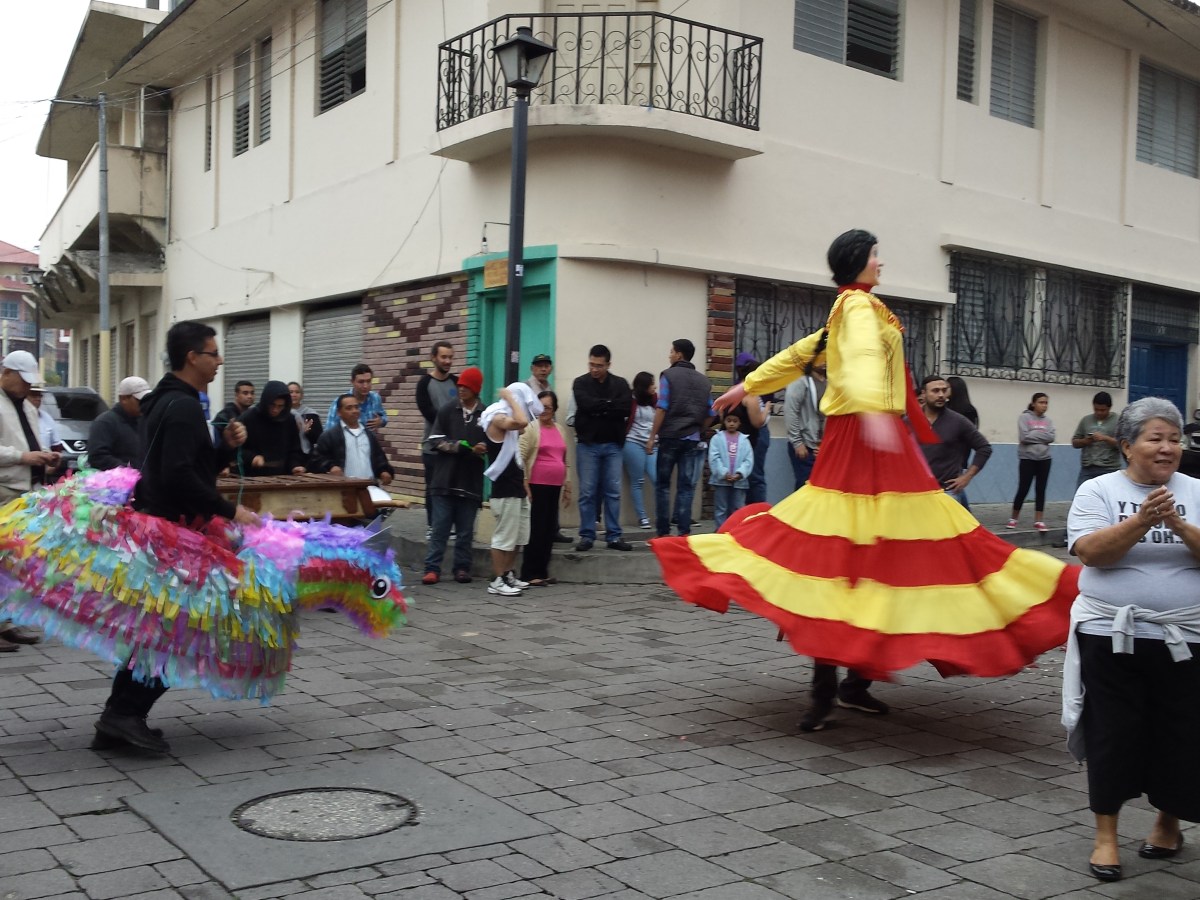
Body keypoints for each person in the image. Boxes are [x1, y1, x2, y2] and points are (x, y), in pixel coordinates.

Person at [651, 229, 1079, 733]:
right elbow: (852, 361)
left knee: (864, 555)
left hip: (873, 434)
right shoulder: (855, 308)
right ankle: (832, 686)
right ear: (856, 261)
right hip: (864, 436)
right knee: (855, 554)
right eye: (876, 255)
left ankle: (848, 684)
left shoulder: (856, 307)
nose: (882, 263)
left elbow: (803, 355)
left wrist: (749, 384)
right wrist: (874, 414)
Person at [99, 321, 258, 752]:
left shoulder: (165, 401)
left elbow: (188, 466)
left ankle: (119, 715)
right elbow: (179, 476)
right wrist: (231, 510)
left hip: (159, 526)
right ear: (193, 357)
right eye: (213, 352)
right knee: (180, 631)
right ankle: (124, 713)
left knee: (159, 629)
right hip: (175, 534)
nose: (219, 360)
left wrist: (223, 447)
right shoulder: (183, 406)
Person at [1062, 397, 1200, 883]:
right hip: (1111, 637)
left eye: (1174, 439)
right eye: (1155, 439)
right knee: (1112, 734)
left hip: (1188, 637)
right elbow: (1092, 555)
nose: (1167, 448)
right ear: (1126, 446)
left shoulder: (1198, 491)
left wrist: (1179, 524)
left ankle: (1168, 824)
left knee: (1182, 734)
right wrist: (1140, 520)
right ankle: (1106, 837)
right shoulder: (1097, 491)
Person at [0, 350, 60, 652]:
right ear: (6, 372)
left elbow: (33, 442)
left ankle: (6, 622)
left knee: (14, 564)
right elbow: (14, 449)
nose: (27, 387)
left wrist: (46, 458)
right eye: (22, 380)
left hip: (27, 492)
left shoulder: (27, 407)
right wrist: (23, 457)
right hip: (4, 491)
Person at [422, 366, 486, 585]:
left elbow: (494, 442)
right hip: (444, 481)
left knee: (465, 531)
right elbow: (434, 440)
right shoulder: (448, 410)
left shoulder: (485, 414)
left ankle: (462, 568)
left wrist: (484, 447)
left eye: (466, 387)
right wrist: (460, 447)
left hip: (470, 482)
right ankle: (432, 568)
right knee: (440, 528)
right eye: (460, 386)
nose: (461, 390)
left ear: (476, 389)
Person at [646, 338, 713, 538]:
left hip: (670, 437)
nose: (669, 355)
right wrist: (699, 429)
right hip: (692, 439)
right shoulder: (703, 381)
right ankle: (684, 532)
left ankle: (663, 533)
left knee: (663, 486)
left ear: (679, 355)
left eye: (671, 351)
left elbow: (662, 407)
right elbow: (711, 412)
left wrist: (652, 436)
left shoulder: (669, 375)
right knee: (685, 488)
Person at [572, 344, 632, 551]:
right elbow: (585, 404)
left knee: (613, 491)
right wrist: (608, 406)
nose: (594, 369)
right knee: (587, 491)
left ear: (608, 365)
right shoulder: (580, 383)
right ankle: (587, 535)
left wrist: (600, 407)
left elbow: (624, 408)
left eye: (599, 365)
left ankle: (614, 536)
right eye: (591, 364)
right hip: (588, 444)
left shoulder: (620, 384)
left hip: (613, 444)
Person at [482, 384, 537, 597]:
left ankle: (508, 573)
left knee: (519, 537)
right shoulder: (497, 418)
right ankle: (497, 580)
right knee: (504, 537)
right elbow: (522, 422)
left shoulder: (508, 419)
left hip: (517, 486)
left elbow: (524, 427)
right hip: (504, 489)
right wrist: (510, 397)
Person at [519, 390, 571, 586]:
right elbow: (520, 456)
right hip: (536, 485)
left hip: (555, 485)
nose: (543, 411)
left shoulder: (560, 429)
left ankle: (542, 571)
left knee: (549, 529)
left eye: (548, 407)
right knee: (537, 529)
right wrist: (525, 481)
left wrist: (568, 484)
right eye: (540, 407)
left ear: (554, 409)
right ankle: (529, 573)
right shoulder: (531, 428)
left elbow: (565, 460)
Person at [919, 374, 993, 508]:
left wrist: (967, 477)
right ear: (923, 393)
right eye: (935, 391)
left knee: (947, 529)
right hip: (917, 492)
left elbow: (984, 448)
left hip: (947, 492)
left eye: (944, 390)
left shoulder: (958, 421)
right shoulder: (910, 421)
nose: (941, 394)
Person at [416, 342, 457, 533]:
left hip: (454, 446)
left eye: (450, 357)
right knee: (433, 488)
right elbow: (428, 412)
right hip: (431, 448)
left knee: (453, 487)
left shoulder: (456, 383)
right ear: (434, 358)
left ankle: (451, 525)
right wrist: (450, 423)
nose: (447, 361)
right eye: (444, 357)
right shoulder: (424, 383)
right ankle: (433, 526)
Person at [311, 393, 395, 485]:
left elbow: (379, 458)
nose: (354, 411)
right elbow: (316, 460)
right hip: (342, 489)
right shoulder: (330, 436)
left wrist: (384, 471)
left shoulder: (369, 435)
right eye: (349, 408)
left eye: (356, 407)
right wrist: (331, 467)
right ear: (339, 412)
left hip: (369, 487)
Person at [238, 380, 307, 476]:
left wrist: (294, 466)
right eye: (272, 405)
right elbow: (236, 450)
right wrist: (252, 458)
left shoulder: (289, 420)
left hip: (282, 477)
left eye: (280, 406)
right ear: (265, 402)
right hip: (251, 477)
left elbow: (294, 450)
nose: (275, 410)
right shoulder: (248, 418)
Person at [1008, 392, 1056, 531]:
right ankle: (1013, 518)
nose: (1044, 405)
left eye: (1046, 403)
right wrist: (1042, 436)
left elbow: (1051, 437)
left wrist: (1034, 434)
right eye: (1041, 402)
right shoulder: (1024, 417)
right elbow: (1024, 437)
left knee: (1041, 489)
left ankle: (1039, 520)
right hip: (1027, 458)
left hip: (1044, 459)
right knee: (1023, 488)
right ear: (1034, 403)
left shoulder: (1048, 421)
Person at [88, 376, 151, 471]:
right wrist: (129, 470)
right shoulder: (105, 423)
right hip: (117, 483)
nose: (145, 404)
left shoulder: (145, 421)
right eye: (139, 400)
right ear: (123, 399)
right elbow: (98, 457)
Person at [734, 353, 772, 505]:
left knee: (751, 475)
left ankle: (752, 512)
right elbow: (758, 421)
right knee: (754, 475)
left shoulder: (736, 389)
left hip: (746, 436)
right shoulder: (751, 391)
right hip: (753, 435)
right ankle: (755, 512)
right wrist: (768, 407)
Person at [623, 372, 658, 530]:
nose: (654, 387)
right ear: (644, 387)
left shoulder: (655, 399)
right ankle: (642, 517)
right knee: (637, 481)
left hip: (653, 443)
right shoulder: (631, 400)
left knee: (657, 478)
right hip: (633, 442)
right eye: (651, 384)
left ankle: (660, 515)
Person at [784, 359, 826, 490]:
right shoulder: (800, 381)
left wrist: (825, 444)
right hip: (804, 444)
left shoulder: (829, 382)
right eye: (821, 357)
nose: (825, 361)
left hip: (821, 444)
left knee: (819, 487)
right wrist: (797, 443)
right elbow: (790, 411)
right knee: (804, 486)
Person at [708, 410, 753, 529]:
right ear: (724, 421)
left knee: (738, 508)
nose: (731, 424)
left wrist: (740, 473)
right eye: (729, 421)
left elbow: (748, 460)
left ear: (739, 423)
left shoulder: (745, 440)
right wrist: (724, 473)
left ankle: (737, 531)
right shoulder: (717, 438)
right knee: (721, 508)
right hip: (721, 481)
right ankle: (721, 531)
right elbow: (714, 458)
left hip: (739, 481)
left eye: (735, 421)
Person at [1072, 391, 1121, 487]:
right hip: (1087, 468)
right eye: (1096, 409)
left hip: (1109, 469)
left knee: (1107, 499)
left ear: (1109, 408)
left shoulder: (1118, 421)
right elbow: (1075, 442)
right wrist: (1085, 441)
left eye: (1103, 410)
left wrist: (1105, 438)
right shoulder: (1086, 420)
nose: (1099, 412)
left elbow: (1123, 445)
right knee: (1082, 498)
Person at [327, 363, 387, 433]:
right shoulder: (340, 402)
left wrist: (380, 421)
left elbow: (384, 417)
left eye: (368, 381)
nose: (365, 386)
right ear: (352, 382)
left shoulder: (375, 398)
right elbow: (329, 431)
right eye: (361, 382)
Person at [287, 381, 324, 461]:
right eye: (291, 392)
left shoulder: (311, 414)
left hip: (305, 456)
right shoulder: (281, 413)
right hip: (286, 456)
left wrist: (308, 432)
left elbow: (319, 438)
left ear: (302, 395)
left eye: (297, 392)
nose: (294, 395)